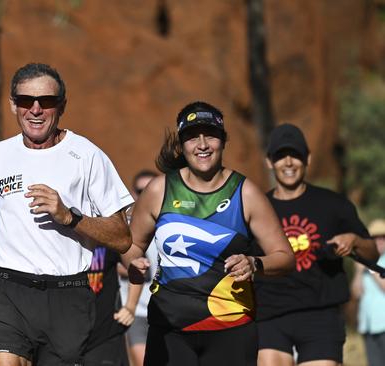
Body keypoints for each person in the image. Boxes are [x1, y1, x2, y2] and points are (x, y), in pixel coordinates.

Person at [0, 62, 133, 366]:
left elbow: (123, 238)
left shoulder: (87, 156)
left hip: (68, 293)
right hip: (9, 288)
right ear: (12, 105)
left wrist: (69, 217)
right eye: (25, 101)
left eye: (46, 102)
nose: (35, 109)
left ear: (61, 106)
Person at [125, 101, 295, 366]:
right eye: (192, 137)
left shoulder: (245, 193)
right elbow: (132, 245)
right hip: (169, 329)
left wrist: (255, 263)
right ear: (182, 145)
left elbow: (285, 257)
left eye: (211, 135)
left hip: (231, 328)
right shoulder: (160, 190)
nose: (202, 144)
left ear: (223, 142)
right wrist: (132, 262)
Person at [252, 123, 379, 366]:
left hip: (321, 314)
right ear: (269, 161)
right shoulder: (257, 207)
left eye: (296, 155)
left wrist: (354, 241)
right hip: (270, 315)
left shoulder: (333, 204)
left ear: (308, 158)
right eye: (280, 156)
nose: (288, 163)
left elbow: (372, 253)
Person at [118, 170, 158, 366]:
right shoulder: (122, 227)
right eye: (141, 190)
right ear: (133, 193)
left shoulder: (173, 225)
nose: (146, 195)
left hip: (166, 310)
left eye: (151, 189)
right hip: (138, 311)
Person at [352, 219, 385, 366]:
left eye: (382, 237)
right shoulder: (363, 263)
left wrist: (372, 268)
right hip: (368, 325)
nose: (379, 241)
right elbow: (356, 293)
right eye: (375, 238)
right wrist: (358, 273)